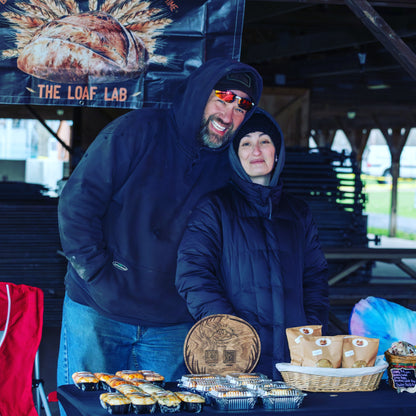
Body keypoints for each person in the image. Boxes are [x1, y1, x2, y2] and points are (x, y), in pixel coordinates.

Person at [57, 57, 263, 391]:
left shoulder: (231, 166)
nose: (229, 115)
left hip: (172, 323)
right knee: (87, 409)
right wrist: (96, 275)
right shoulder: (136, 130)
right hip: (99, 309)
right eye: (223, 97)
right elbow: (78, 202)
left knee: (162, 409)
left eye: (243, 106)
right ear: (199, 94)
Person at [175, 108, 329, 379]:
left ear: (277, 152)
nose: (256, 150)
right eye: (246, 143)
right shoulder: (214, 208)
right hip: (234, 357)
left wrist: (310, 329)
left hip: (295, 358)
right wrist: (231, 332)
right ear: (235, 156)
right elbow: (192, 274)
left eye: (265, 141)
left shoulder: (298, 212)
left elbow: (315, 277)